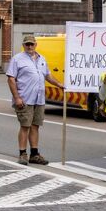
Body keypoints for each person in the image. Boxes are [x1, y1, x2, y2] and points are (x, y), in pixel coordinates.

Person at [6, 35, 63, 166]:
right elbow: (11, 79)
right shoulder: (17, 59)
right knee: (25, 126)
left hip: (39, 98)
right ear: (23, 45)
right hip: (25, 98)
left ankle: (34, 154)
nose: (30, 46)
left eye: (32, 44)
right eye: (27, 44)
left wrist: (59, 84)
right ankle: (22, 154)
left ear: (36, 44)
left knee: (35, 126)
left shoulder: (42, 58)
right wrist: (17, 97)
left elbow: (48, 75)